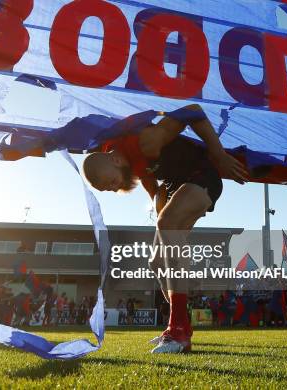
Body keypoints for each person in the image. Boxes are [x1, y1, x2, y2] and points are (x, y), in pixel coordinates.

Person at [83, 104, 248, 353]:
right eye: (110, 189)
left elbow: (193, 111)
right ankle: (182, 324)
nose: (115, 188)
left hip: (202, 176)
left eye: (111, 182)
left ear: (115, 159)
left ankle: (177, 330)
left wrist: (219, 154)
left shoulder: (147, 141)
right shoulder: (135, 166)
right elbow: (155, 193)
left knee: (167, 224)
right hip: (176, 185)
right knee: (156, 261)